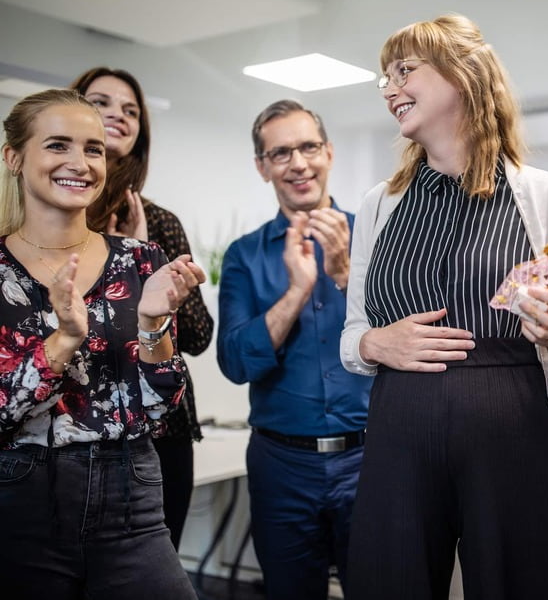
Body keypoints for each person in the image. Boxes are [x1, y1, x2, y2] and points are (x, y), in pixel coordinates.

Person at [340, 14, 548, 600]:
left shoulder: (544, 196)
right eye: (383, 77)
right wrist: (372, 344)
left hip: (512, 430)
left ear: (465, 75)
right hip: (399, 428)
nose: (388, 88)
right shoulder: (380, 205)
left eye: (404, 70)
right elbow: (353, 332)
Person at [0, 88, 204, 598]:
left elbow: (160, 406)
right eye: (58, 146)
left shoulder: (140, 259)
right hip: (22, 501)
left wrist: (154, 323)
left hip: (131, 491)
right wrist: (65, 339)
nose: (80, 163)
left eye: (93, 149)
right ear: (14, 157)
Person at [216, 99, 371, 600]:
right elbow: (236, 362)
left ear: (328, 152)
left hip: (372, 458)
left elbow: (405, 339)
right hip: (281, 466)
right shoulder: (243, 255)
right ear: (263, 168)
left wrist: (346, 271)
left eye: (308, 147)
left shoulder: (376, 236)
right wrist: (297, 291)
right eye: (280, 153)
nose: (298, 164)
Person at [70, 66, 214, 550]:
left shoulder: (160, 223)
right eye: (101, 102)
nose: (117, 115)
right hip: (71, 428)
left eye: (130, 110)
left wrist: (142, 260)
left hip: (159, 430)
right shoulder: (45, 219)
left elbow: (197, 336)